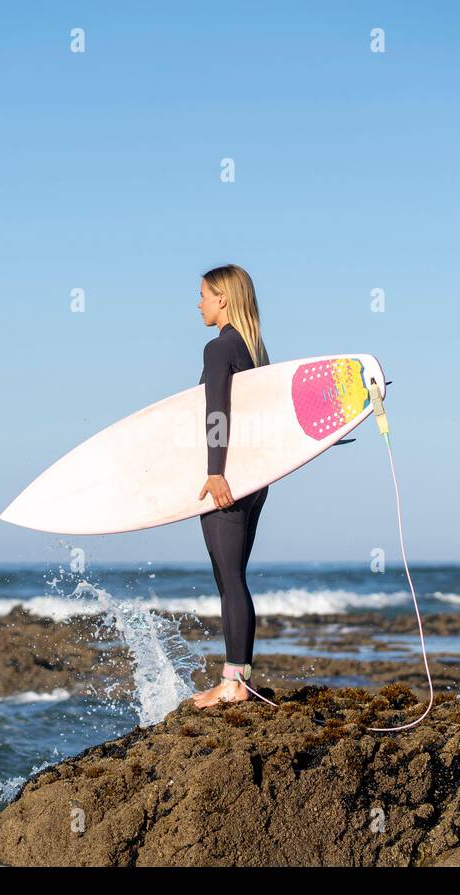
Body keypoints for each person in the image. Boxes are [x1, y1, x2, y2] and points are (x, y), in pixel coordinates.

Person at [190, 264, 270, 708]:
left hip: (230, 481)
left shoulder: (219, 348)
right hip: (256, 481)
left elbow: (216, 413)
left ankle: (234, 685)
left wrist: (216, 471)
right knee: (234, 579)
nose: (197, 303)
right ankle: (239, 679)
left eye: (202, 294)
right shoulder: (255, 349)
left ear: (222, 298)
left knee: (230, 580)